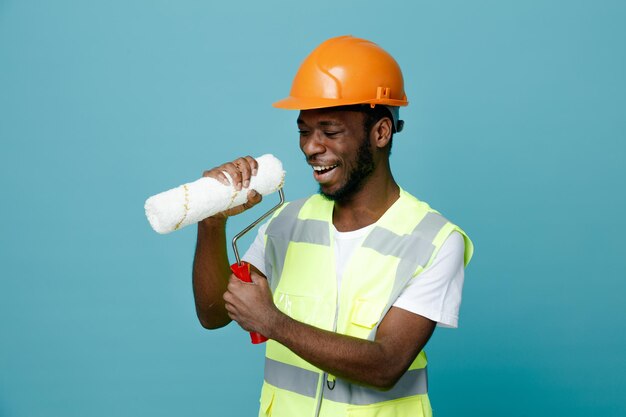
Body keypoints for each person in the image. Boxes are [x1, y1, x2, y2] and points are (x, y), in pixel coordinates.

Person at [192, 35, 474, 417]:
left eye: (330, 131)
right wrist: (212, 221)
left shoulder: (434, 241)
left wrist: (273, 322)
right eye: (304, 131)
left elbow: (386, 364)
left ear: (380, 132)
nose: (311, 147)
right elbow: (213, 315)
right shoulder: (286, 222)